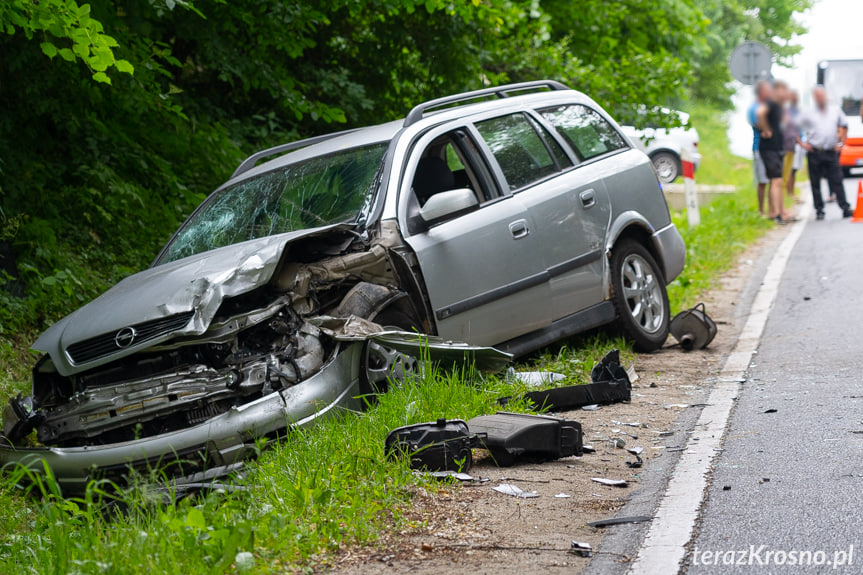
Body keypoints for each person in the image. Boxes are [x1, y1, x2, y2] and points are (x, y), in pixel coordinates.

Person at [798, 85, 852, 220]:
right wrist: (802, 143)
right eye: (817, 96)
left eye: (822, 96)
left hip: (831, 151)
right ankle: (819, 209)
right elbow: (795, 127)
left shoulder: (835, 110)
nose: (820, 98)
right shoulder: (808, 112)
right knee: (815, 182)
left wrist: (841, 143)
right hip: (815, 151)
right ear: (814, 97)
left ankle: (844, 207)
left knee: (837, 179)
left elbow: (844, 125)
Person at [756, 80, 794, 224]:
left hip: (777, 147)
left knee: (777, 180)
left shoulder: (778, 106)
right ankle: (774, 213)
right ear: (776, 90)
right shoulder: (771, 103)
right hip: (769, 148)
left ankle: (781, 212)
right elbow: (760, 114)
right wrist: (766, 129)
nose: (785, 93)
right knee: (776, 180)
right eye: (783, 90)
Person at [749, 81, 770, 215]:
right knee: (762, 180)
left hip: (771, 149)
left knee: (772, 180)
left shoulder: (767, 106)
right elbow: (759, 126)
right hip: (759, 148)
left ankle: (772, 210)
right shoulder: (753, 108)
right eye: (767, 90)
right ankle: (761, 210)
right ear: (761, 92)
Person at [782, 90, 803, 201]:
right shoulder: (786, 111)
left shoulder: (798, 111)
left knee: (793, 170)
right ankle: (788, 193)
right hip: (788, 145)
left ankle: (791, 193)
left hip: (795, 145)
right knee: (788, 171)